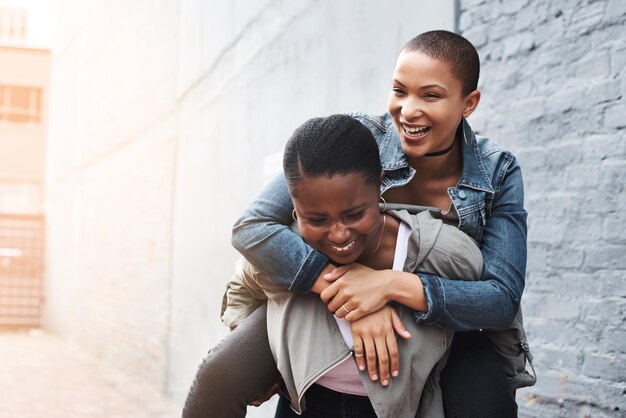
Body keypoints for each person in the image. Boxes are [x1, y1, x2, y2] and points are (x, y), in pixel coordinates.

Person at [183, 30, 534, 418]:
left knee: (487, 404)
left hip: (442, 318)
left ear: (469, 103)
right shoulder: (358, 138)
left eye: (430, 95)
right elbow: (253, 226)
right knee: (217, 376)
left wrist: (389, 286)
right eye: (400, 91)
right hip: (324, 296)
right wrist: (348, 294)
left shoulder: (497, 170)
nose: (409, 110)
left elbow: (501, 298)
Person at [221, 114, 485, 417]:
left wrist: (398, 289)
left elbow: (498, 308)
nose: (339, 234)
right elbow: (242, 285)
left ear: (379, 186)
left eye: (354, 214)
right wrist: (269, 356)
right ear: (294, 209)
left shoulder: (442, 251)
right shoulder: (283, 248)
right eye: (317, 220)